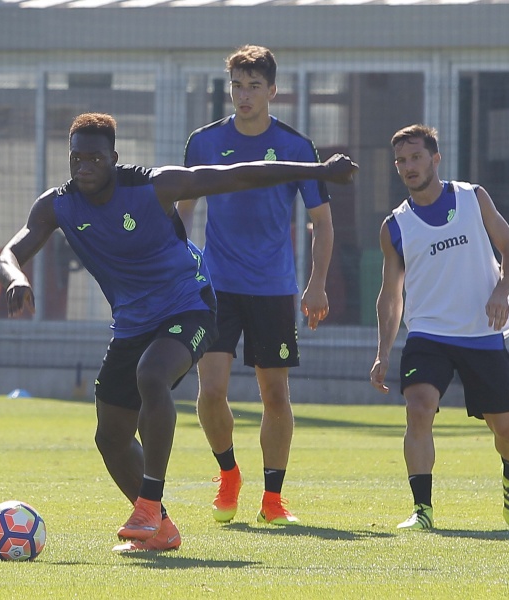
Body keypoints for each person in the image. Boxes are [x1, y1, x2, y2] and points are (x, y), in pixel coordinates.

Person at [0, 112, 357, 552]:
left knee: (152, 375)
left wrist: (319, 170)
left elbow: (239, 174)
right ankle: (162, 528)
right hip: (132, 323)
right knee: (110, 437)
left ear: (114, 158)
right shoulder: (57, 205)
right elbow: (10, 252)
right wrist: (16, 277)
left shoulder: (153, 186)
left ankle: (148, 504)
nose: (84, 167)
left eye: (95, 158)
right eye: (76, 159)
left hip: (190, 305)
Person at [177, 45, 335, 525]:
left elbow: (322, 223)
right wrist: (180, 270)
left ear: (272, 91)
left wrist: (317, 285)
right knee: (211, 390)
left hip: (273, 288)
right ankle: (228, 473)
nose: (243, 95)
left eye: (253, 86)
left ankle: (272, 498)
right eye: (237, 86)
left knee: (275, 396)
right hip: (217, 286)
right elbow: (183, 211)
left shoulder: (296, 148)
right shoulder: (204, 142)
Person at [369, 124, 509, 530]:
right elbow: (391, 295)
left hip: (481, 332)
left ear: (435, 159)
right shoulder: (394, 226)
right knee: (419, 408)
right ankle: (422, 510)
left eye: (416, 157)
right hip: (428, 334)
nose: (408, 166)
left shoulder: (473, 198)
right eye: (401, 161)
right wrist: (383, 352)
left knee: (507, 430)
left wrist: (501, 292)